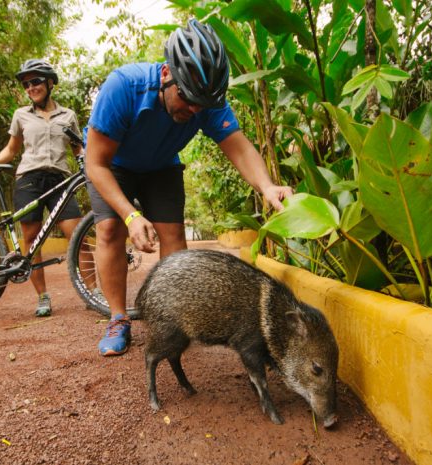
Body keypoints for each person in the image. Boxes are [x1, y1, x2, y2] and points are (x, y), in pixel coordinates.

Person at [85, 19, 293, 356]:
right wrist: (130, 216)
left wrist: (267, 186)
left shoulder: (205, 102)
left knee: (174, 238)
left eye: (203, 104)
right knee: (109, 229)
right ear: (166, 74)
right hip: (114, 165)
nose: (194, 109)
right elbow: (96, 164)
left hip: (162, 165)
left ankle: (175, 319)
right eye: (187, 97)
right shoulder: (123, 87)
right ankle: (118, 318)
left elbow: (238, 146)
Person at [0, 59, 83, 317]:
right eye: (26, 84)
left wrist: (95, 161)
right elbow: (12, 149)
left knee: (79, 236)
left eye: (35, 81)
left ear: (49, 83)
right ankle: (43, 297)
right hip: (29, 180)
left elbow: (79, 148)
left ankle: (94, 292)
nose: (31, 87)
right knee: (31, 241)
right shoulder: (21, 115)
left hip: (60, 180)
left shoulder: (68, 116)